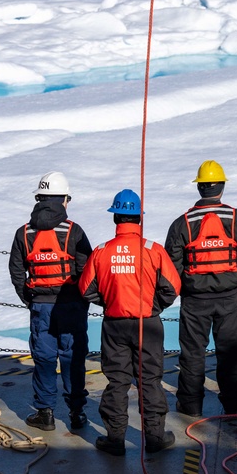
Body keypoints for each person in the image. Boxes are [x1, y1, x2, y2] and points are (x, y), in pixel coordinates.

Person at [79, 189, 181, 456]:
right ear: (139, 218)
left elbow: (86, 289)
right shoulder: (152, 250)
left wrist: (111, 301)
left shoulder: (101, 251)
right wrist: (153, 305)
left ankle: (115, 439)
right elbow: (173, 287)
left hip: (114, 325)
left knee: (117, 381)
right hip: (147, 324)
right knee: (150, 380)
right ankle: (155, 437)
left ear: (115, 218)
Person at [165, 160, 237, 417]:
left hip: (195, 300)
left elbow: (170, 266)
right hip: (229, 298)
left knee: (192, 354)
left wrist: (186, 288)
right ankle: (232, 403)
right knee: (231, 353)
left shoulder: (181, 224)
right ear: (221, 187)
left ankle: (190, 404)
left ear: (200, 188)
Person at [9, 172, 93, 433]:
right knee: (73, 357)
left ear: (39, 199)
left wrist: (30, 299)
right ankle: (77, 413)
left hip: (41, 306)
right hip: (70, 305)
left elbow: (16, 271)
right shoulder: (74, 231)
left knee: (44, 358)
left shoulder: (24, 233)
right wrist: (80, 302)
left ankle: (45, 413)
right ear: (64, 200)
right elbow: (86, 270)